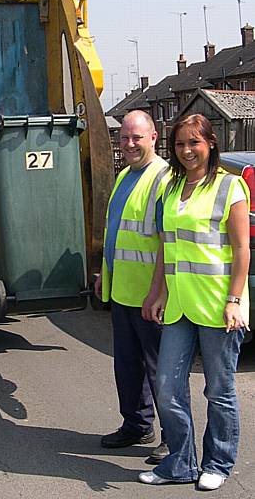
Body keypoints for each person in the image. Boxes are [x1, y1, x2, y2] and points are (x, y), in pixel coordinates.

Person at [139, 113, 250, 491]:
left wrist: (235, 300)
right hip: (180, 307)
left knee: (219, 390)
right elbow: (166, 248)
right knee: (167, 388)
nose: (187, 150)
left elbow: (241, 249)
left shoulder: (230, 187)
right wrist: (158, 293)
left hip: (220, 308)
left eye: (194, 143)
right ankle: (180, 463)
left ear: (210, 143)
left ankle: (218, 462)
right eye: (181, 143)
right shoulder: (171, 189)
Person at [95, 110, 169, 463]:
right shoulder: (125, 175)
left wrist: (159, 292)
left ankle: (173, 437)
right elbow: (115, 232)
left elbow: (168, 242)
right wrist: (102, 275)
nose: (129, 144)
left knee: (161, 370)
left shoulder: (163, 178)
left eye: (137, 137)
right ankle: (137, 425)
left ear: (153, 137)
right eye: (125, 138)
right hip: (122, 292)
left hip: (150, 297)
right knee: (127, 366)